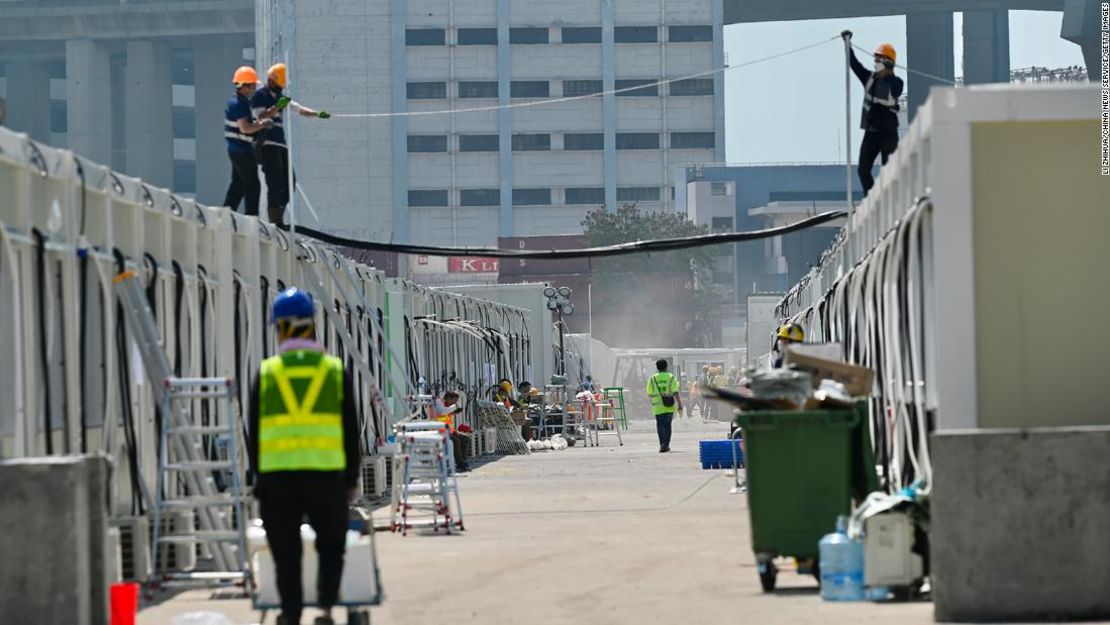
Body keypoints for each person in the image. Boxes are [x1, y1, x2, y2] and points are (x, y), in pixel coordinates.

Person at [248, 288, 360, 625]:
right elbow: (349, 432)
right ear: (311, 325)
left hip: (278, 479)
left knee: (286, 553)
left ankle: (291, 614)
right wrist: (351, 479)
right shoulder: (333, 371)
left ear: (280, 328)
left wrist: (258, 479)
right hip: (326, 475)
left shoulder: (267, 373)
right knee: (330, 545)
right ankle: (325, 608)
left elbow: (254, 433)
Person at [250, 63, 331, 226]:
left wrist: (316, 114)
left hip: (280, 144)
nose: (279, 87)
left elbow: (299, 109)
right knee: (275, 182)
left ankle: (279, 211)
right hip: (268, 144)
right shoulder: (260, 96)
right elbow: (261, 116)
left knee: (289, 183)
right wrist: (276, 108)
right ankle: (274, 217)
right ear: (272, 80)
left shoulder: (280, 97)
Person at [842, 31, 904, 194]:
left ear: (888, 63)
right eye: (875, 59)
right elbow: (855, 65)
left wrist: (890, 73)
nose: (876, 63)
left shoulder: (896, 82)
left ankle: (889, 201)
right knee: (863, 170)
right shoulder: (869, 79)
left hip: (889, 133)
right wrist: (848, 45)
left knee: (888, 172)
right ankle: (870, 199)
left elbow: (896, 91)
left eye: (880, 60)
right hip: (872, 132)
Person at [223, 66, 273, 217]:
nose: (254, 88)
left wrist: (272, 111)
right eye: (252, 85)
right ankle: (252, 217)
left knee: (238, 184)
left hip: (237, 150)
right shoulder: (239, 104)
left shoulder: (239, 102)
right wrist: (263, 124)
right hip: (242, 151)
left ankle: (226, 213)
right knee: (252, 185)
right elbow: (245, 128)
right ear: (244, 85)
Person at [645, 359, 681, 452]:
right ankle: (667, 444)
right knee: (668, 425)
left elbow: (649, 393)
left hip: (657, 406)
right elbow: (675, 392)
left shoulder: (652, 378)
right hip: (669, 406)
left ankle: (662, 444)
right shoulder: (671, 377)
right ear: (666, 366)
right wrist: (680, 404)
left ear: (657, 367)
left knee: (660, 425)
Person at [433, 390, 470, 472]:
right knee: (456, 441)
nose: (454, 403)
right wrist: (454, 407)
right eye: (454, 401)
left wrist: (454, 412)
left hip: (450, 431)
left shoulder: (448, 406)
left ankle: (463, 460)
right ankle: (460, 463)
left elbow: (447, 416)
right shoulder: (438, 402)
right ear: (448, 398)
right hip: (440, 432)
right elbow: (442, 412)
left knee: (465, 438)